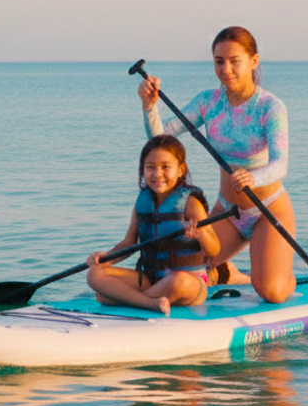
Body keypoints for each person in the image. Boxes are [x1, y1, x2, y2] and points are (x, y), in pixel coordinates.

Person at [137, 26, 296, 303]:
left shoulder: (270, 107)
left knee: (271, 291)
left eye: (235, 61)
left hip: (268, 210)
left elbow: (280, 165)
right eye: (219, 61)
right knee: (185, 267)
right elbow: (161, 139)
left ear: (253, 61)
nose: (227, 69)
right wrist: (149, 107)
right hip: (228, 212)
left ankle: (281, 273)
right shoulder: (208, 102)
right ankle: (227, 272)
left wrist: (253, 178)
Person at [86, 135, 220, 315]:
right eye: (150, 167)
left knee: (177, 281)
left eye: (166, 167)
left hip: (188, 282)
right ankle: (149, 303)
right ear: (143, 170)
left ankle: (126, 298)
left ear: (180, 170)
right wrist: (105, 259)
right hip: (150, 279)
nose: (157, 174)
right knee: (94, 274)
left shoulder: (190, 202)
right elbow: (128, 244)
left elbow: (215, 250)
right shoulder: (143, 201)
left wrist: (201, 234)